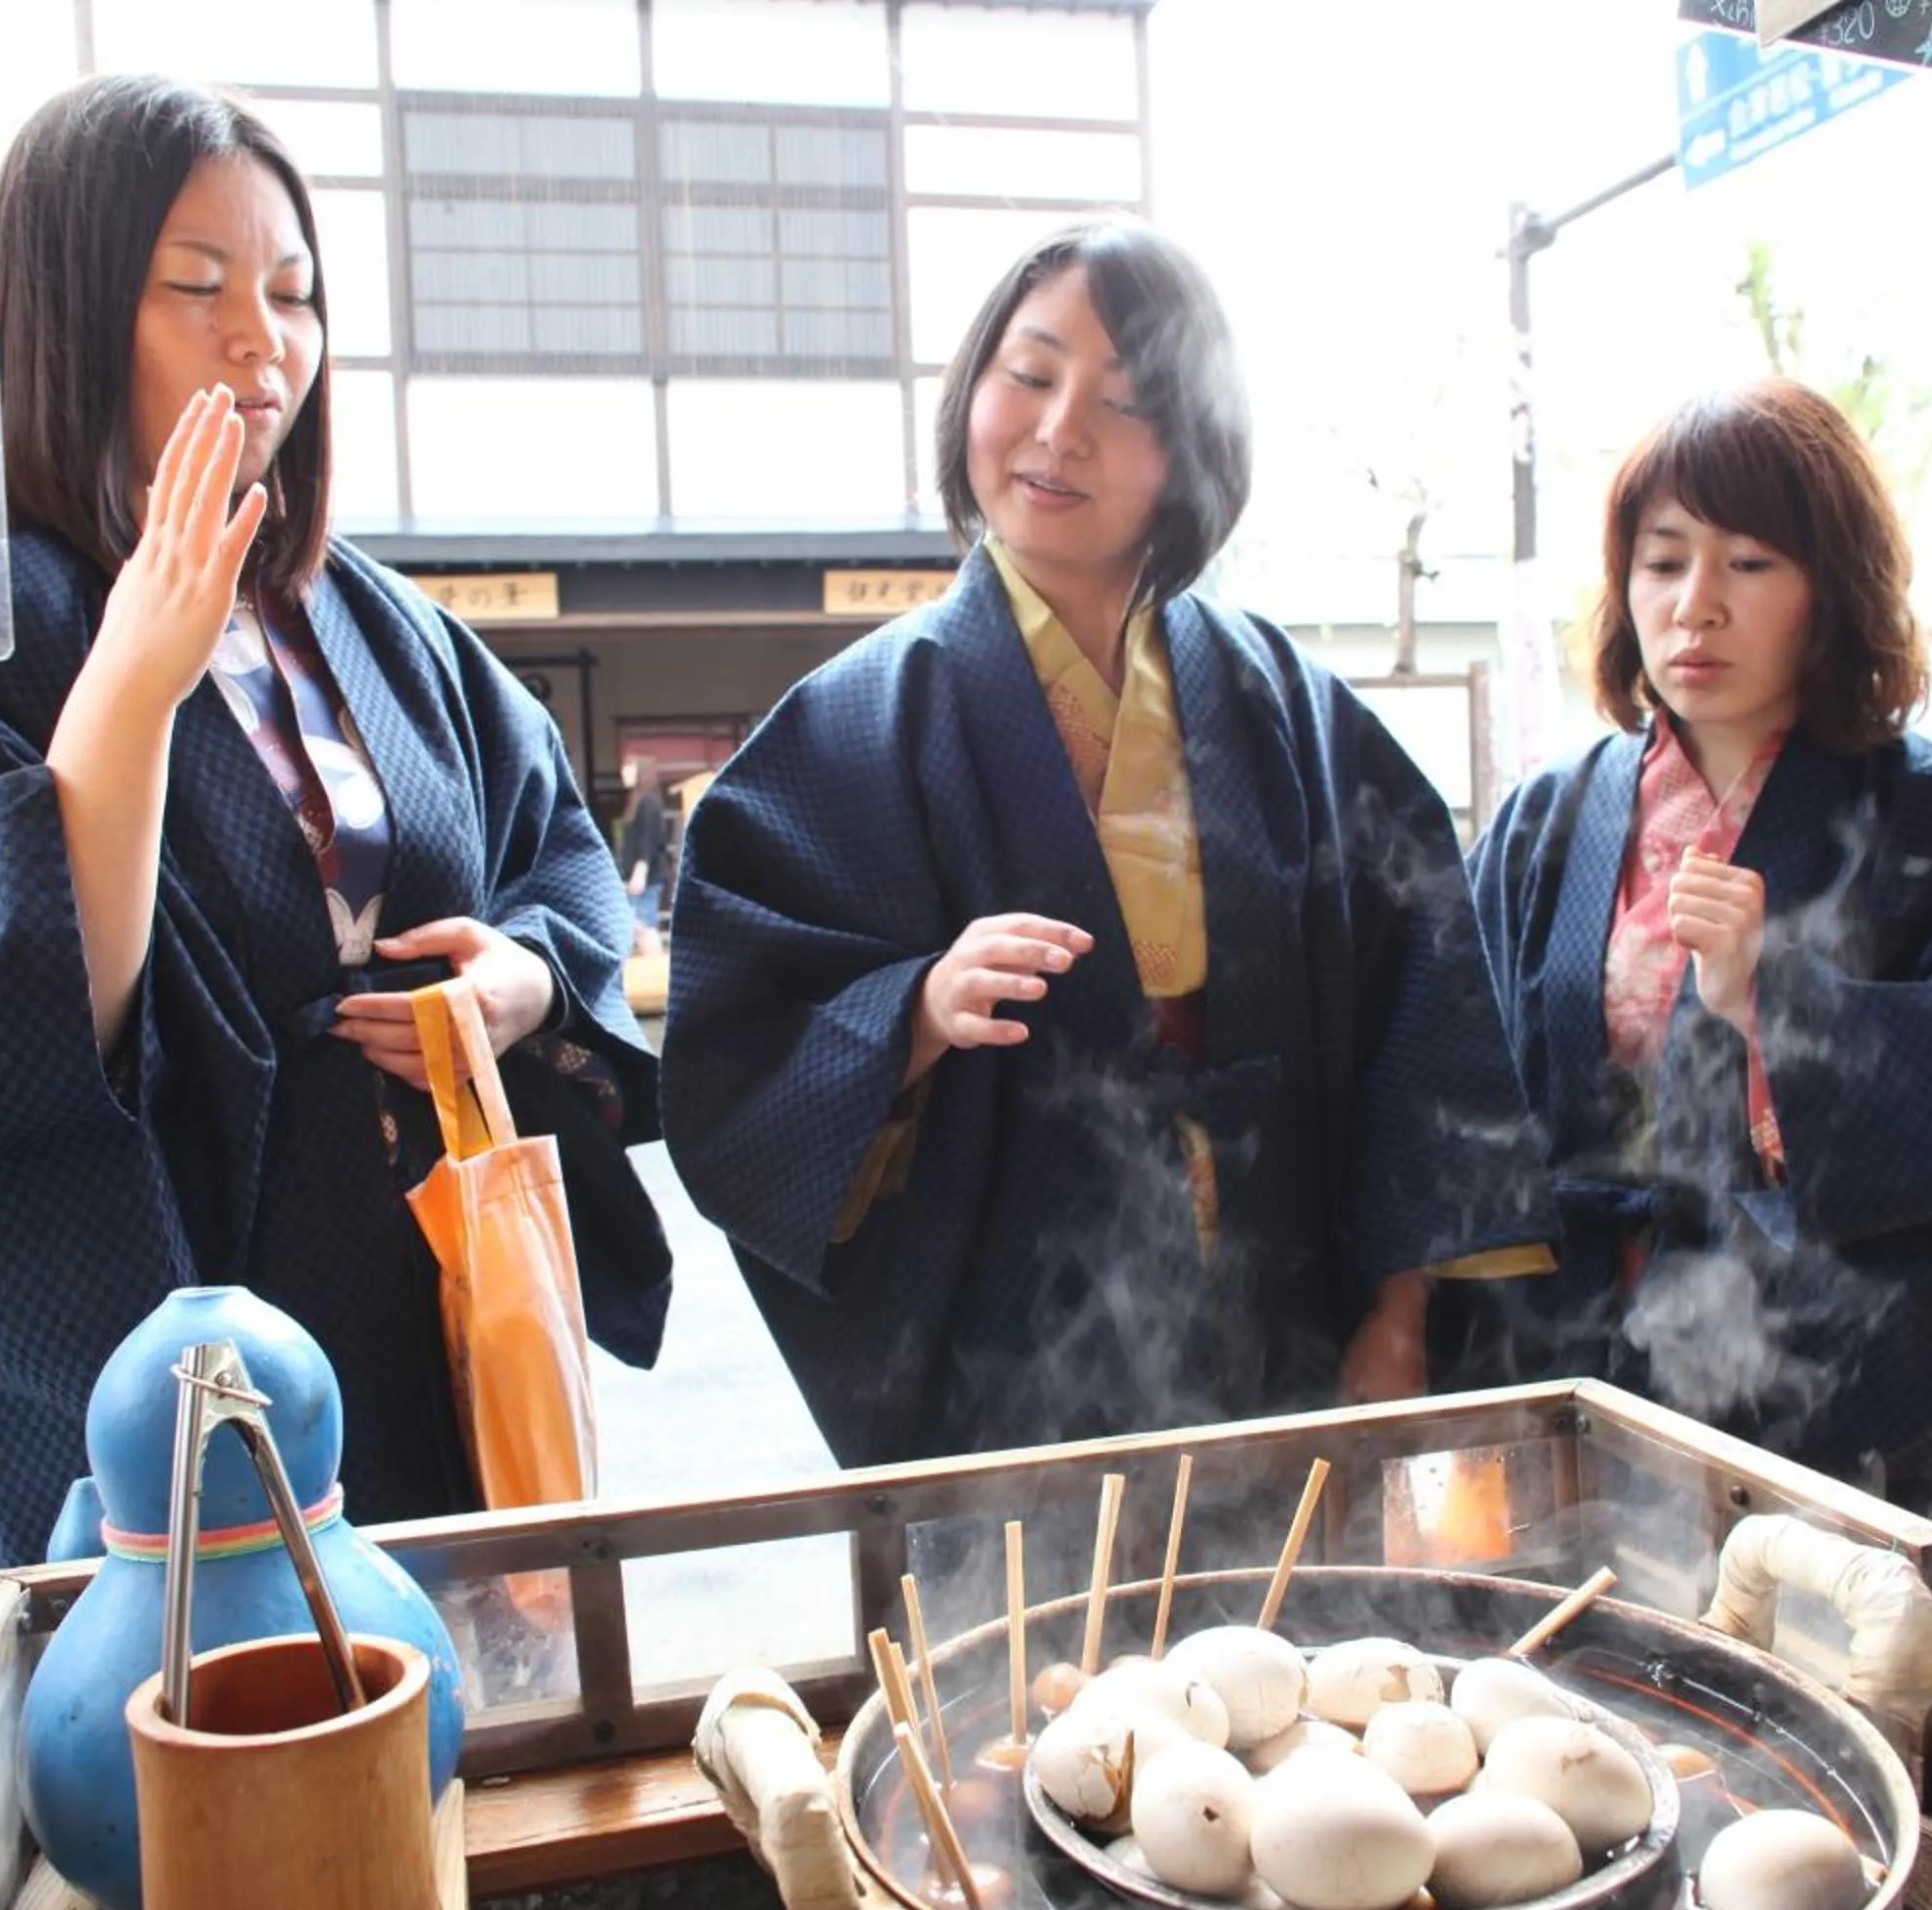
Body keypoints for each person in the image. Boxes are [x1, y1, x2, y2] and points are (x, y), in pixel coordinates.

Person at [0, 76, 666, 1568]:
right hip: (176, 1331)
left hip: (430, 1299)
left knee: (474, 1708)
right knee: (217, 1734)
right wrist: (129, 692)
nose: (261, 340)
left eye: (293, 293)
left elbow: (559, 850)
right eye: (194, 287)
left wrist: (522, 977)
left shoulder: (378, 621)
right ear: (68, 310)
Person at [661, 220, 1554, 1471]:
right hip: (1006, 1358)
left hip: (1277, 1315)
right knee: (1032, 1660)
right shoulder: (853, 726)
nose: (1058, 429)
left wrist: (1399, 1311)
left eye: (1127, 402)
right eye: (1028, 375)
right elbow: (739, 1056)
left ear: (1193, 453)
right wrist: (910, 1011)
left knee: (1285, 1656)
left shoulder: (1289, 709)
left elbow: (1425, 1012)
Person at [1462, 377, 1932, 1525]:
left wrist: (1767, 997)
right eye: (1663, 559)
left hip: (1820, 1385)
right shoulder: (1550, 820)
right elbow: (1463, 1087)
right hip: (1571, 1363)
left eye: (1750, 564)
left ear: (1831, 591)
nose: (1696, 606)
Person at [616, 757, 671, 951]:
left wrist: (640, 871)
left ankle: (655, 969)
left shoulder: (648, 803)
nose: (624, 773)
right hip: (639, 876)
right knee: (638, 925)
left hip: (647, 876)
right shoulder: (638, 801)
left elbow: (649, 840)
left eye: (629, 768)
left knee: (645, 924)